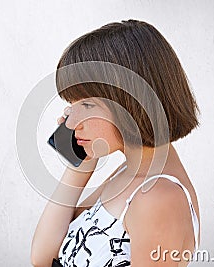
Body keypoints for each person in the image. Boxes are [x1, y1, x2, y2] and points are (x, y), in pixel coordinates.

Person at [31, 19, 201, 266]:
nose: (70, 122)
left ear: (132, 104)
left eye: (87, 105)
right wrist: (80, 164)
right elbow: (44, 256)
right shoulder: (129, 172)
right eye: (73, 105)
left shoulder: (158, 199)